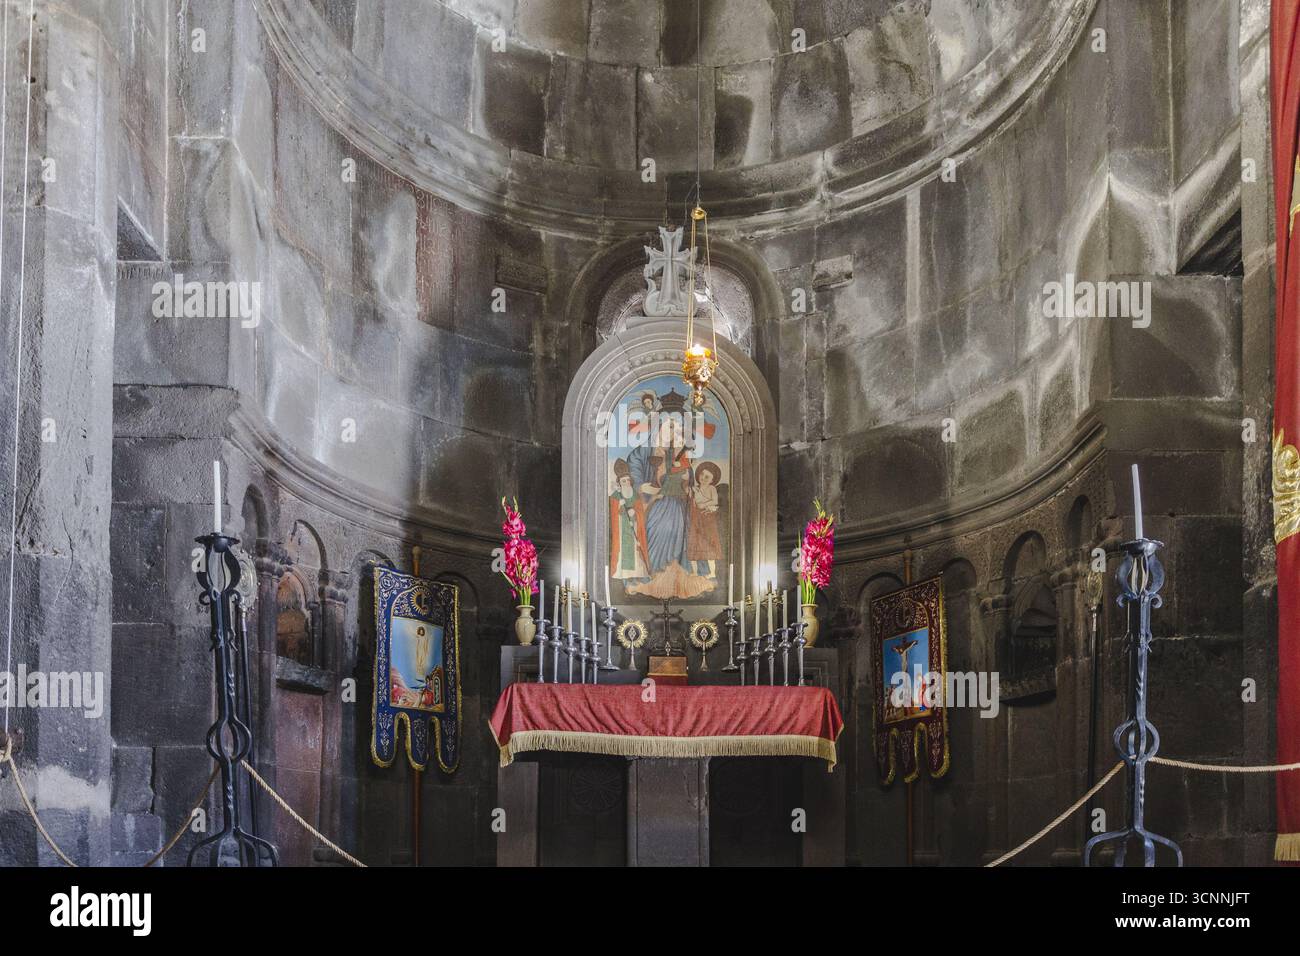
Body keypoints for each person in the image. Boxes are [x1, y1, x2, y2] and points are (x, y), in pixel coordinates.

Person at [609, 458, 649, 584]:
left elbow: (640, 512)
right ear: (619, 483)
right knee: (623, 550)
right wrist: (620, 507)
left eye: (627, 480)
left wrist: (635, 513)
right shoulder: (616, 496)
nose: (626, 483)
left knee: (635, 550)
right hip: (621, 529)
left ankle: (637, 574)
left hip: (634, 528)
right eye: (623, 481)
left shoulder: (635, 495)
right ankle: (624, 575)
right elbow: (613, 514)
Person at [687, 460, 722, 579]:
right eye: (702, 474)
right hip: (696, 520)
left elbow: (714, 501)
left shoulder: (712, 488)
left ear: (712, 480)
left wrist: (702, 501)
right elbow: (695, 503)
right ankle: (695, 572)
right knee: (694, 544)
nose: (703, 478)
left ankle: (712, 573)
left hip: (708, 521)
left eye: (707, 476)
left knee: (710, 546)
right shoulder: (695, 488)